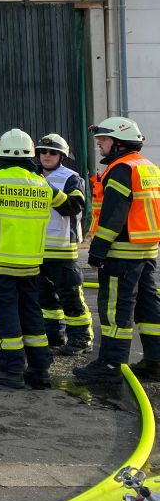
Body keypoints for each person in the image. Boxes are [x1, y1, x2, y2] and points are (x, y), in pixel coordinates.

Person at [0, 129, 81, 389]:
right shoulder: (43, 184)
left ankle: (11, 371)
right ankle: (39, 370)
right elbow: (69, 206)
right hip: (30, 264)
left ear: (0, 154)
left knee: (7, 317)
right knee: (32, 314)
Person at [73, 117, 160, 385]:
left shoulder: (121, 169)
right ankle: (156, 362)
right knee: (148, 307)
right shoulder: (147, 167)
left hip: (122, 253)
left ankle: (110, 365)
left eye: (104, 139)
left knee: (114, 310)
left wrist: (98, 249)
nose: (99, 144)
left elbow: (114, 215)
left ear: (119, 143)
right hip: (146, 250)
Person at [34, 134, 93, 356]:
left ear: (62, 156)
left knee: (71, 297)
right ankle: (54, 335)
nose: (47, 155)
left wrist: (48, 189)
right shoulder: (30, 176)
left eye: (53, 152)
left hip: (62, 249)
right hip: (36, 249)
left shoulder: (71, 178)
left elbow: (74, 206)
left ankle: (81, 339)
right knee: (45, 297)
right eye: (43, 151)